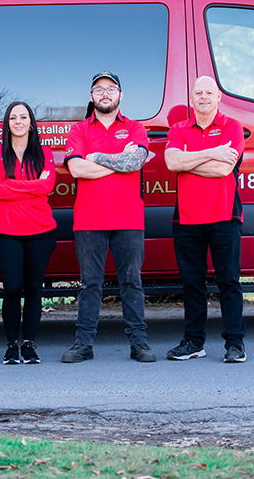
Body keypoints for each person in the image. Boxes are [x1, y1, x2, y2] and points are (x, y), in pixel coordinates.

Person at [61, 71, 155, 363]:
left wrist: (95, 157)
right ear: (91, 97)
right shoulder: (79, 130)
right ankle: (83, 344)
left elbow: (136, 160)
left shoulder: (136, 127)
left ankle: (139, 343)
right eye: (99, 89)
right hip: (89, 220)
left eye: (111, 89)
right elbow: (76, 169)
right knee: (90, 284)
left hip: (128, 219)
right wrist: (119, 161)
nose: (105, 94)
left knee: (132, 283)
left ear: (120, 96)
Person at [164, 76, 247, 363]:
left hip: (225, 215)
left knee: (228, 281)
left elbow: (225, 169)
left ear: (218, 97)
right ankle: (193, 342)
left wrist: (191, 160)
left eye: (208, 92)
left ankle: (235, 343)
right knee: (192, 284)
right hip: (187, 218)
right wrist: (212, 152)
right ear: (191, 98)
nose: (203, 97)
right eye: (198, 92)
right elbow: (172, 162)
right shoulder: (178, 129)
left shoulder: (232, 127)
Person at [0, 101, 57, 364]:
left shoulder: (44, 153)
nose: (18, 121)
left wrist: (11, 185)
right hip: (6, 231)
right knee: (12, 289)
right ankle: (10, 346)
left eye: (23, 117)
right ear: (7, 123)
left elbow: (48, 185)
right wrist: (32, 186)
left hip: (41, 231)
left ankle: (29, 344)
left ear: (31, 122)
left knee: (34, 289)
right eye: (13, 117)